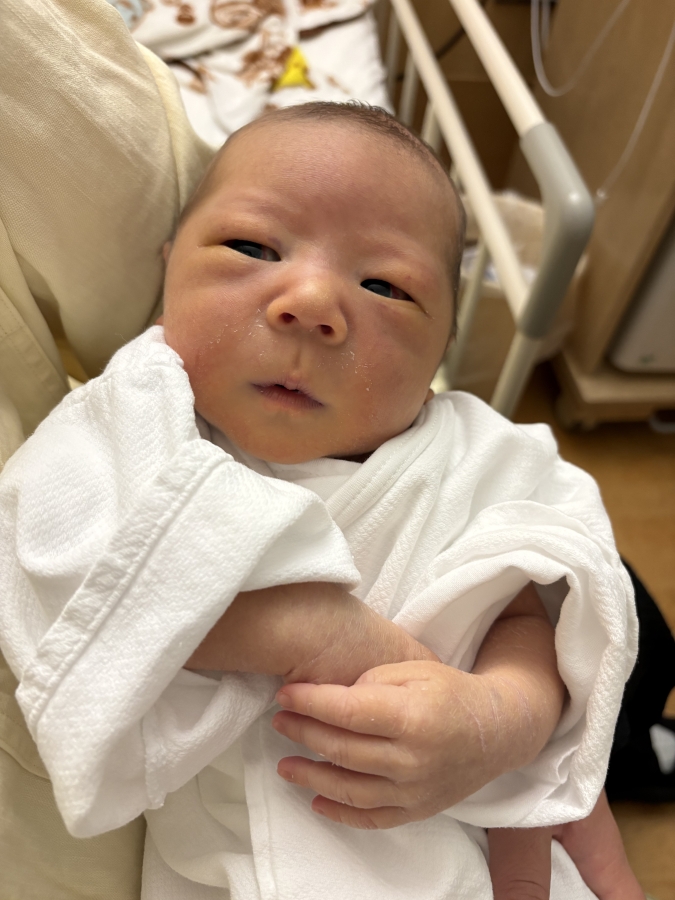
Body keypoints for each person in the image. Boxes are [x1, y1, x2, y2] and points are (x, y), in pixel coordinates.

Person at [0, 100, 640, 899]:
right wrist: (311, 632)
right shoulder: (137, 419)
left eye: (385, 286)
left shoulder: (470, 458)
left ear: (439, 352)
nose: (309, 302)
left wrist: (496, 721)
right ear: (167, 277)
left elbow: (535, 614)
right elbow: (65, 573)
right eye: (251, 247)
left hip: (463, 851)